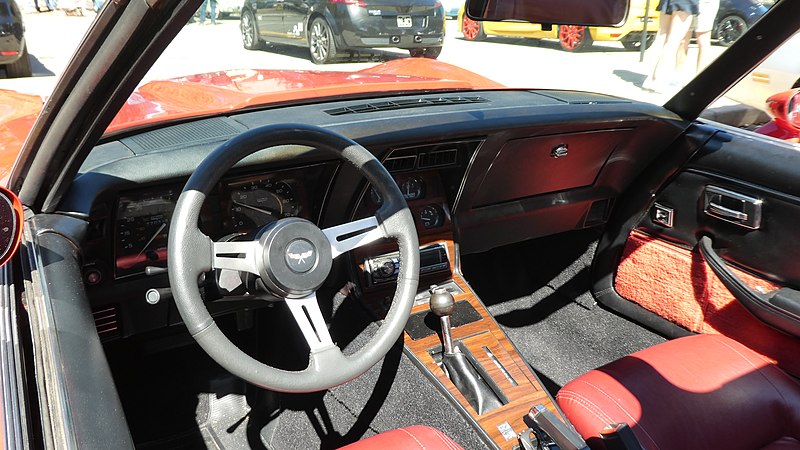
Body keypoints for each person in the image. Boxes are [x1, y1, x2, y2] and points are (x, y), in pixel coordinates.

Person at [643, 0, 699, 92]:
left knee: (661, 36)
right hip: (685, 3)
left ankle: (650, 78)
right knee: (674, 40)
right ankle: (660, 79)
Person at [678, 0, 721, 74]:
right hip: (688, 2)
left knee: (703, 42)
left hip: (706, 4)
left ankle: (700, 78)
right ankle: (677, 75)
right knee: (682, 40)